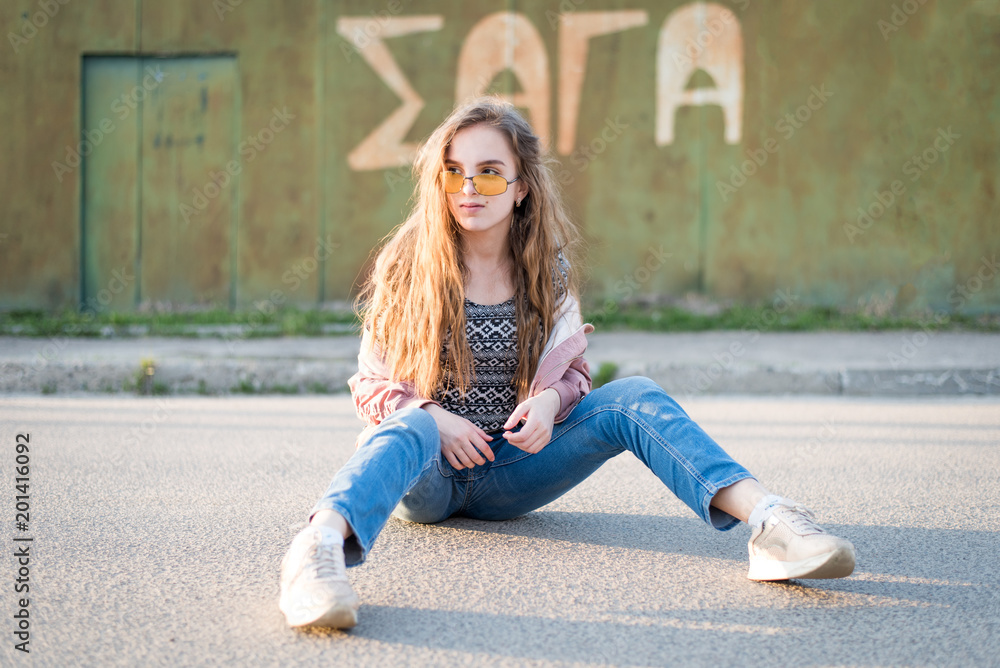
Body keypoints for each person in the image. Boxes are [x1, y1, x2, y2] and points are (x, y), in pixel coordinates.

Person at [278, 97, 856, 630]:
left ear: (522, 186)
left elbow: (575, 374)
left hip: (510, 471)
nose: (468, 188)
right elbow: (370, 384)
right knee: (411, 424)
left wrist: (550, 402)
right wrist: (435, 418)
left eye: (489, 171)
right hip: (425, 480)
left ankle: (771, 523)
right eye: (452, 171)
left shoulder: (545, 270)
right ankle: (317, 553)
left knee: (631, 394)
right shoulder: (408, 263)